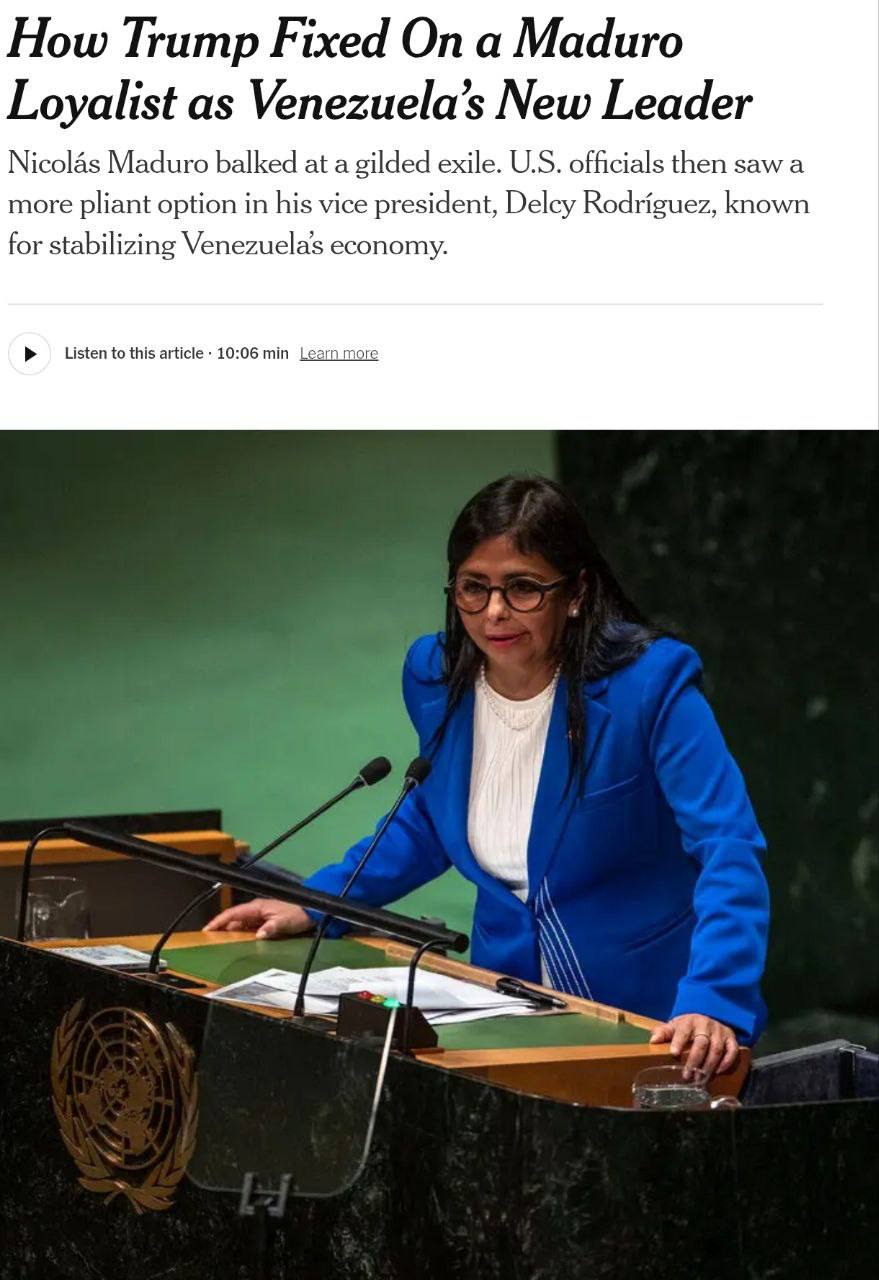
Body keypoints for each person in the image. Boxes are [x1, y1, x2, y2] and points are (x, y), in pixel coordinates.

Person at [206, 474, 770, 1076]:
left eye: (523, 588)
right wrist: (318, 903)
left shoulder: (648, 686)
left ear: (576, 592)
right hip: (505, 1012)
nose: (494, 612)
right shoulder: (435, 675)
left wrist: (714, 998)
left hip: (652, 1023)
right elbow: (433, 817)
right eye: (474, 588)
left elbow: (728, 846)